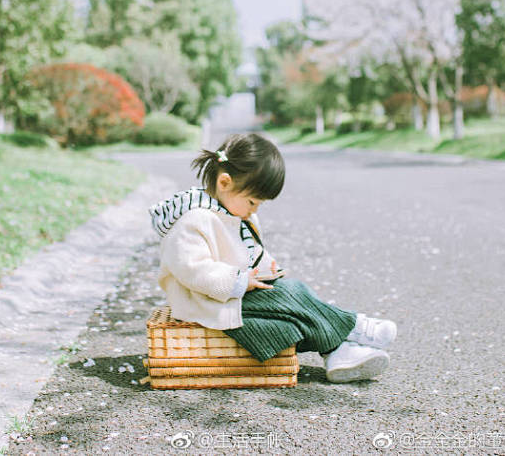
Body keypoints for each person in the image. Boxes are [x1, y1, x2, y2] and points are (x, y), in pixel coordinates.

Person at [148, 133, 397, 383]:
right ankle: (353, 327)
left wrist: (267, 268)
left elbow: (252, 253)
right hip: (207, 300)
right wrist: (239, 280)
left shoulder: (237, 213)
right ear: (224, 183)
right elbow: (193, 270)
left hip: (235, 293)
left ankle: (338, 352)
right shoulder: (194, 220)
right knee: (292, 293)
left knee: (289, 309)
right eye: (252, 201)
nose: (254, 210)